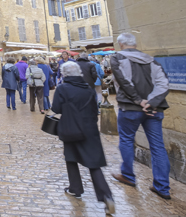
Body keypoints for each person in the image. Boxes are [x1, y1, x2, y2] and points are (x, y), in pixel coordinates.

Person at [110, 33, 171, 200]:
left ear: (121, 44)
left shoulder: (117, 58)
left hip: (131, 108)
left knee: (126, 139)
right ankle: (162, 186)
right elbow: (164, 83)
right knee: (158, 146)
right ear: (135, 44)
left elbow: (124, 81)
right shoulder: (151, 60)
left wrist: (139, 100)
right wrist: (151, 102)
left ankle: (128, 176)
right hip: (153, 108)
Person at [52, 61, 116, 215]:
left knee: (71, 158)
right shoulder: (88, 88)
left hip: (71, 127)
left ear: (64, 74)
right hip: (89, 128)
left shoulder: (62, 88)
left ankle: (75, 188)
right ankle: (106, 196)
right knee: (94, 164)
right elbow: (95, 109)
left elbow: (56, 108)